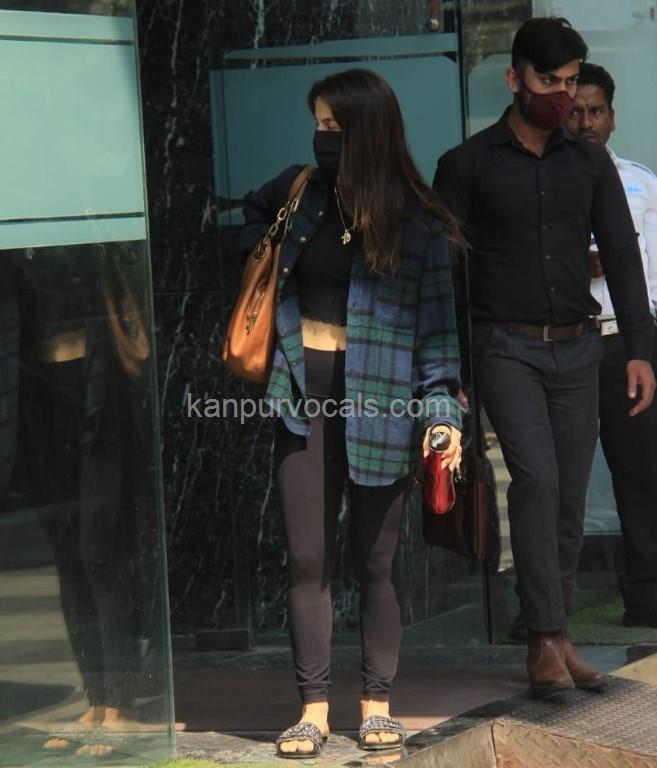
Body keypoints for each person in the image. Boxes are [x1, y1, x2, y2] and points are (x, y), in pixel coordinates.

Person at [238, 68, 463, 757]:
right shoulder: (298, 192)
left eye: (334, 128)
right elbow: (249, 218)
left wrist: (442, 417)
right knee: (308, 559)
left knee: (375, 561)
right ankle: (311, 708)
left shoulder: (419, 225)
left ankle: (375, 704)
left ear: (367, 133)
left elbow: (437, 344)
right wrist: (264, 268)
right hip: (300, 398)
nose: (322, 138)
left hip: (382, 404)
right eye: (318, 125)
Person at [433, 18, 656, 698]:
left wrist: (640, 351)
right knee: (535, 481)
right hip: (505, 347)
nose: (561, 94)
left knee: (566, 498)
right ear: (514, 79)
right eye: (548, 80)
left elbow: (623, 258)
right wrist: (451, 369)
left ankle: (556, 639)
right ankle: (543, 638)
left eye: (570, 81)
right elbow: (445, 274)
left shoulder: (588, 164)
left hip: (580, 348)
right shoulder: (466, 165)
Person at [566, 63, 657, 629]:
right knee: (557, 480)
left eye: (595, 111)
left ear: (612, 117)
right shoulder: (547, 182)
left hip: (627, 344)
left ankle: (646, 601)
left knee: (641, 473)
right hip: (567, 343)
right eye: (576, 111)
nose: (586, 122)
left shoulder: (642, 184)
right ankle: (543, 608)